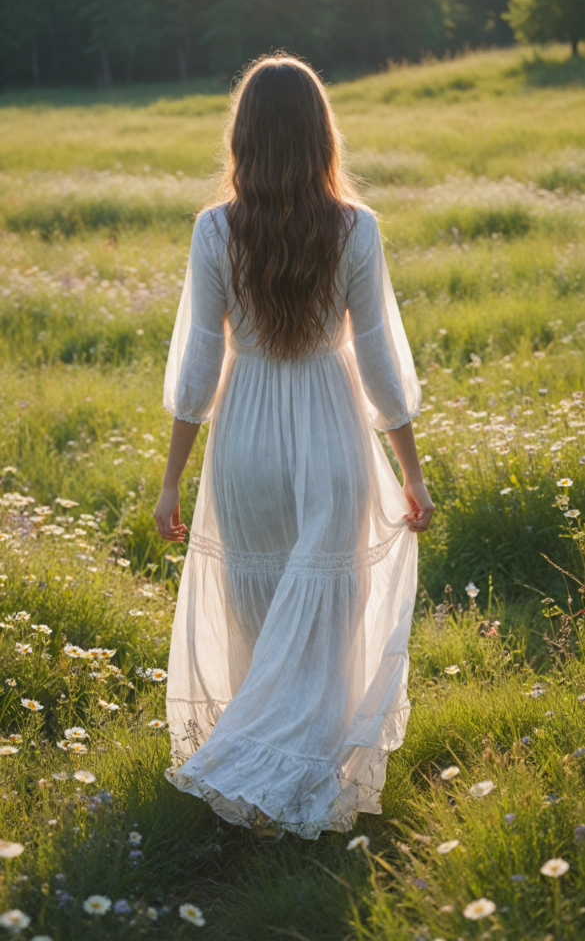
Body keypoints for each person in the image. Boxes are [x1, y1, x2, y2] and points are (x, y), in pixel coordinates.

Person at [153, 53, 434, 840]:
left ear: (242, 136)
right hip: (330, 428)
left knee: (256, 609)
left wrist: (171, 481)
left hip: (243, 440)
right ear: (320, 134)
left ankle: (256, 801)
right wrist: (410, 472)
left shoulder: (215, 229)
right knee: (327, 614)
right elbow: (377, 360)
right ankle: (307, 786)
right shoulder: (355, 227)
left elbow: (198, 371)